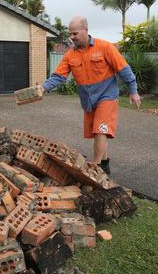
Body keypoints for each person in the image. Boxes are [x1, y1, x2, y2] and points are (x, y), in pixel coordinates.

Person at [41, 16, 141, 174]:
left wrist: (133, 91)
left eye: (75, 33)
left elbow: (124, 69)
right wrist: (43, 88)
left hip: (107, 97)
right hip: (88, 100)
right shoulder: (70, 55)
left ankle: (95, 167)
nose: (72, 37)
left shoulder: (105, 47)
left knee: (100, 130)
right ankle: (105, 164)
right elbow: (59, 76)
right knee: (98, 132)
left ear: (85, 30)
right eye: (70, 34)